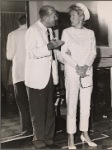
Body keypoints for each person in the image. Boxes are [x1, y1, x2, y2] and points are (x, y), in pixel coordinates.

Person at [25, 5, 64, 149]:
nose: (56, 18)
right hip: (36, 79)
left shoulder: (49, 31)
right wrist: (48, 47)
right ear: (46, 16)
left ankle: (49, 139)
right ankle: (39, 142)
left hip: (49, 77)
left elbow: (54, 55)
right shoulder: (32, 30)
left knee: (49, 111)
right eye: (54, 15)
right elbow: (30, 53)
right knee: (38, 112)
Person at [61, 3, 97, 149]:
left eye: (73, 15)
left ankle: (84, 133)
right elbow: (64, 53)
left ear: (81, 16)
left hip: (87, 72)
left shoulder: (90, 33)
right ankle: (70, 137)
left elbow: (93, 52)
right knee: (72, 105)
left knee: (86, 106)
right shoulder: (66, 32)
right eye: (70, 15)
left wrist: (85, 66)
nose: (71, 18)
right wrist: (77, 66)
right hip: (72, 71)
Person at [6, 15, 33, 136]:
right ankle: (36, 129)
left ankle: (25, 129)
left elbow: (9, 56)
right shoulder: (32, 32)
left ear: (18, 23)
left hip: (18, 72)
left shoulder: (12, 34)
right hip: (32, 72)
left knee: (22, 103)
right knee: (33, 101)